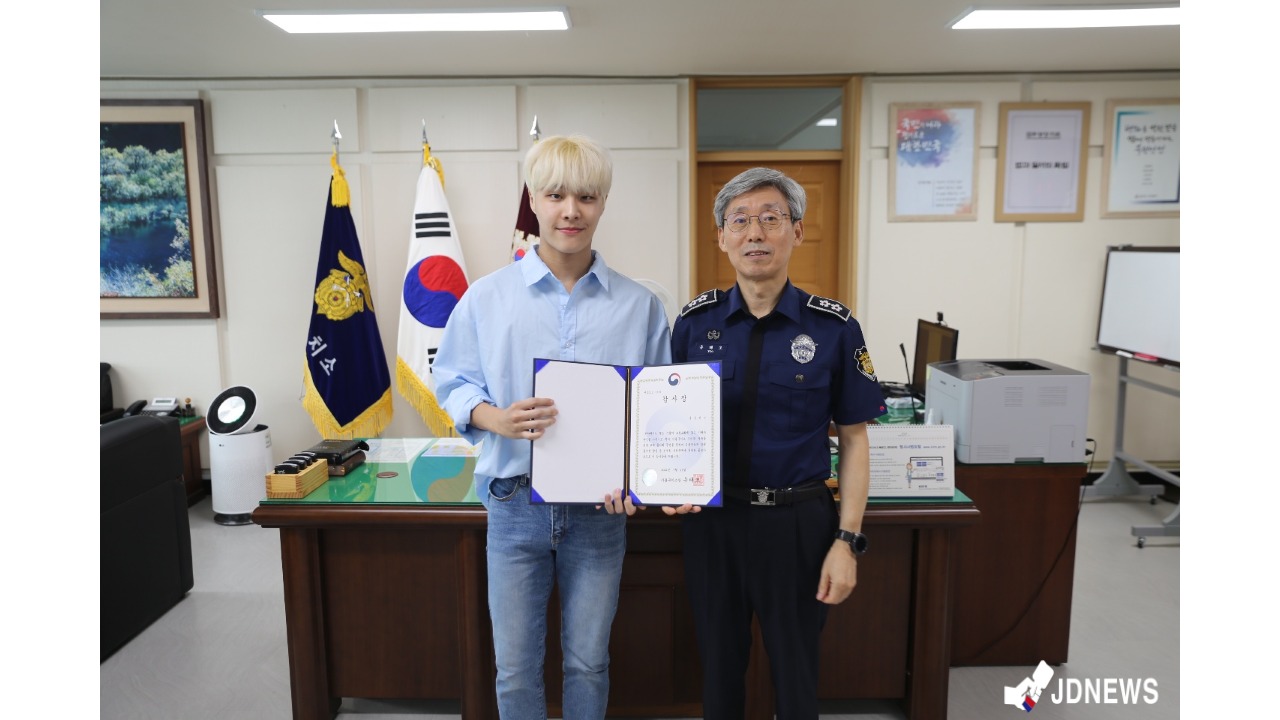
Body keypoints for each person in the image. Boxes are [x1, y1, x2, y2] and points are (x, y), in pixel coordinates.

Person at [432, 134, 671, 720]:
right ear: (533, 200)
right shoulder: (486, 298)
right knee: (515, 669)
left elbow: (658, 412)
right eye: (556, 195)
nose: (571, 211)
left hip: (601, 513)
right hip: (514, 504)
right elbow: (453, 381)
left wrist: (642, 481)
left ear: (603, 203)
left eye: (586, 197)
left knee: (588, 663)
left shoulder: (640, 305)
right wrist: (495, 417)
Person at [666, 167, 886, 719]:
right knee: (718, 676)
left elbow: (855, 439)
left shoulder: (834, 329)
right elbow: (666, 424)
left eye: (771, 218)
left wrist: (847, 541)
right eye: (740, 221)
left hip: (797, 526)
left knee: (796, 677)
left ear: (797, 231)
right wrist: (664, 483)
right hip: (714, 523)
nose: (755, 233)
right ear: (722, 236)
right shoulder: (693, 325)